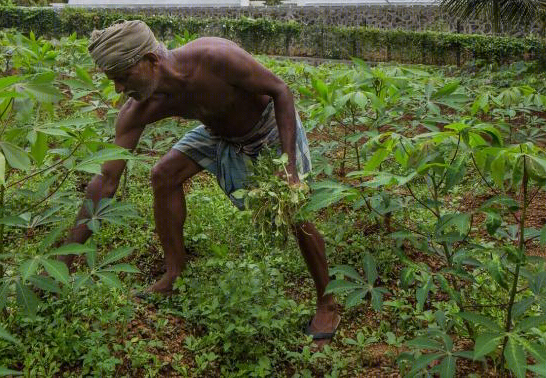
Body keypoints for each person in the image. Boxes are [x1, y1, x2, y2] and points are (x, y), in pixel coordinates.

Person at [59, 20, 340, 341]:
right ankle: (175, 272)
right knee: (163, 174)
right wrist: (64, 258)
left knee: (294, 210)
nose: (119, 89)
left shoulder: (214, 58)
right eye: (114, 81)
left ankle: (327, 301)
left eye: (123, 78)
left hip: (267, 127)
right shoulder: (138, 109)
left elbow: (280, 91)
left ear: (151, 60)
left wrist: (288, 167)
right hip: (218, 132)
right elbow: (106, 179)